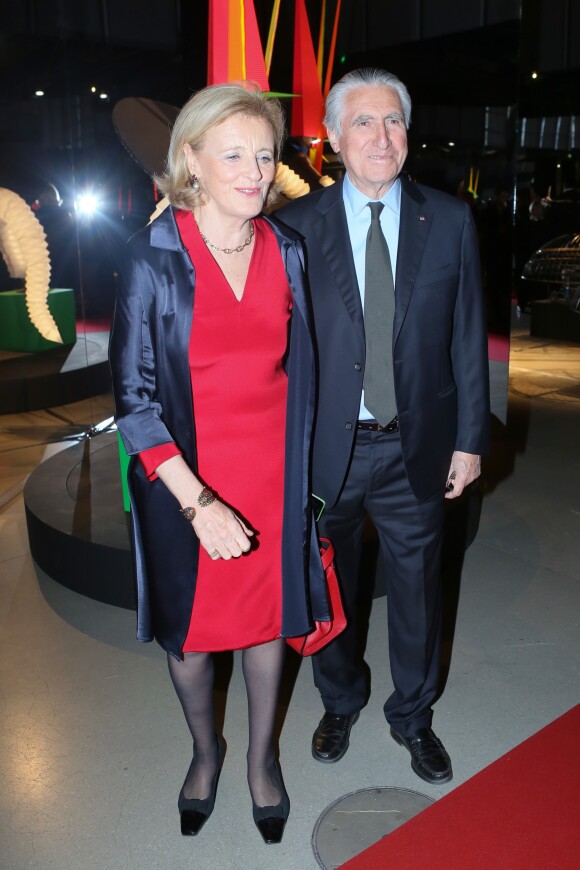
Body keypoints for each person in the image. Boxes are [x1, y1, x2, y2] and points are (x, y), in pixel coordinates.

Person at [109, 82, 327, 845]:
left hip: (272, 477)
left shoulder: (286, 249)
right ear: (191, 159)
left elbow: (307, 369)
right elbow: (134, 403)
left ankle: (262, 763)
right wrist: (198, 504)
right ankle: (207, 753)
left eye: (264, 154)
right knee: (194, 640)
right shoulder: (153, 257)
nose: (254, 169)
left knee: (267, 627)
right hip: (184, 485)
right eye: (232, 152)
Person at [276, 68, 490, 785]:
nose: (380, 136)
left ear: (408, 132)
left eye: (392, 120)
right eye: (362, 122)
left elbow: (467, 337)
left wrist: (470, 439)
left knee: (419, 589)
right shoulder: (295, 229)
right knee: (327, 589)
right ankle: (339, 701)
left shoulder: (451, 220)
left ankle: (413, 716)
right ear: (333, 139)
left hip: (416, 445)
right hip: (324, 452)